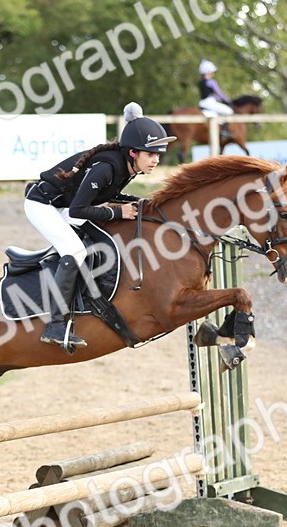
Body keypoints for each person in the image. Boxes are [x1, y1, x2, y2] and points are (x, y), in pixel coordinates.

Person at [23, 102, 175, 351]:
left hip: (66, 206)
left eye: (158, 155)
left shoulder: (128, 166)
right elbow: (77, 211)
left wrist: (145, 204)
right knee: (76, 251)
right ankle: (55, 325)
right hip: (43, 206)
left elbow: (112, 195)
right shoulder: (106, 167)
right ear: (133, 153)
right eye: (151, 155)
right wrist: (117, 211)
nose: (156, 160)